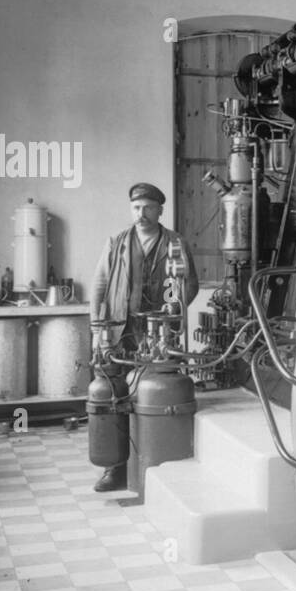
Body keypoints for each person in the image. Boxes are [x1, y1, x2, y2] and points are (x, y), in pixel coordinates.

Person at [88, 182, 199, 492]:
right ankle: (115, 469)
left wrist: (173, 310)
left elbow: (190, 284)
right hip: (120, 330)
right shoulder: (117, 243)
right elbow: (99, 286)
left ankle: (156, 464)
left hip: (160, 334)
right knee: (113, 395)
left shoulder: (175, 243)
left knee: (155, 396)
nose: (142, 213)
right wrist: (97, 330)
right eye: (137, 208)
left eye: (148, 207)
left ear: (160, 210)